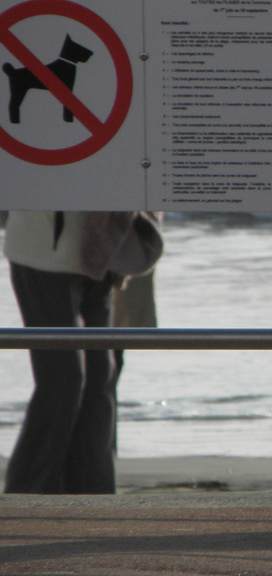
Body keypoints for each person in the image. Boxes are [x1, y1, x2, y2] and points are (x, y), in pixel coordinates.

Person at [3, 211, 161, 494]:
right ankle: (28, 493)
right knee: (65, 379)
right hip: (43, 253)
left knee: (101, 379)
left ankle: (93, 496)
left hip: (105, 255)